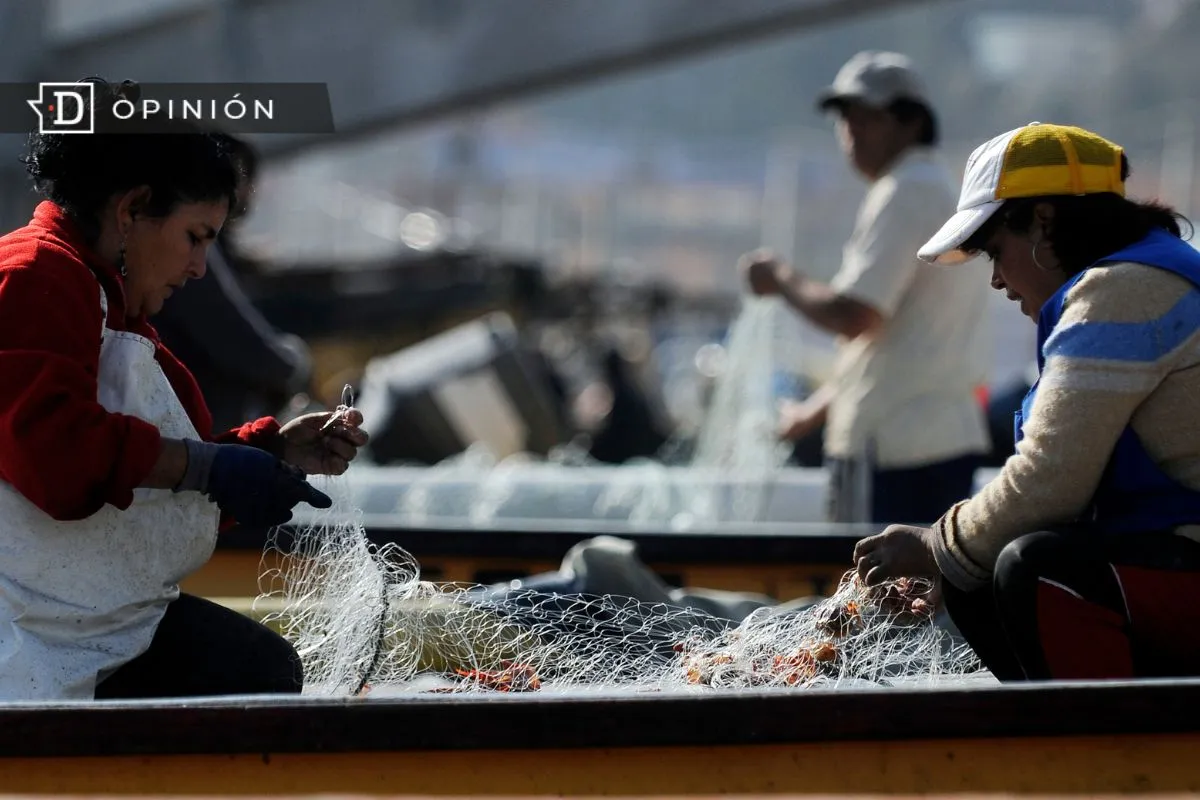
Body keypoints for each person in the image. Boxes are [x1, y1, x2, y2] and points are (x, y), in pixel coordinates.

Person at [0, 79, 369, 701]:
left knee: (255, 667)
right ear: (131, 211)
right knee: (253, 673)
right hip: (28, 637)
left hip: (73, 623)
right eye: (195, 237)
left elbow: (135, 474)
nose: (198, 268)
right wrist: (210, 467)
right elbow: (55, 459)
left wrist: (270, 451)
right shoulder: (35, 276)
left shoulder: (98, 295)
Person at [853, 122, 1200, 681]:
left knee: (1031, 567)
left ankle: (1112, 736)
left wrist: (935, 544)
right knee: (975, 568)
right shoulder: (1147, 273)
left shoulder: (1121, 291)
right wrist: (955, 556)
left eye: (996, 252)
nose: (996, 280)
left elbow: (1050, 480)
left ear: (1043, 221)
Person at [740, 50, 990, 525]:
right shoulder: (936, 188)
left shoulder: (904, 191)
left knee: (874, 574)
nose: (850, 130)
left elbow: (855, 315)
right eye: (844, 117)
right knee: (926, 572)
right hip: (934, 441)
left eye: (867, 116)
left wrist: (780, 278)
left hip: (895, 453)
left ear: (911, 122)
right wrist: (812, 414)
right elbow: (890, 344)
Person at [153, 134, 313, 431]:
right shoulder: (192, 249)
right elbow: (239, 341)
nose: (197, 268)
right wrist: (295, 362)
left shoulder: (206, 246)